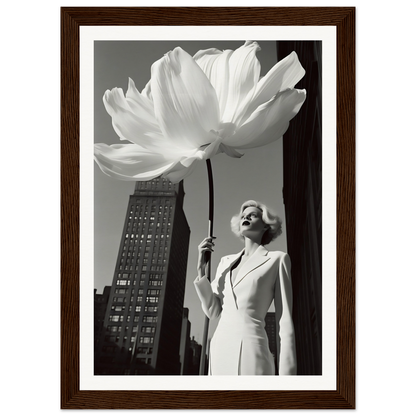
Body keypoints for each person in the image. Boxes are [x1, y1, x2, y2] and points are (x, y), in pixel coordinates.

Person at [194, 200, 296, 375]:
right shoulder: (225, 262)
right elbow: (213, 312)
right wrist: (201, 271)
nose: (246, 217)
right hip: (219, 350)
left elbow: (284, 322)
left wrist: (288, 379)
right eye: (243, 216)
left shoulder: (277, 259)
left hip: (252, 350)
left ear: (266, 225)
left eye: (253, 215)